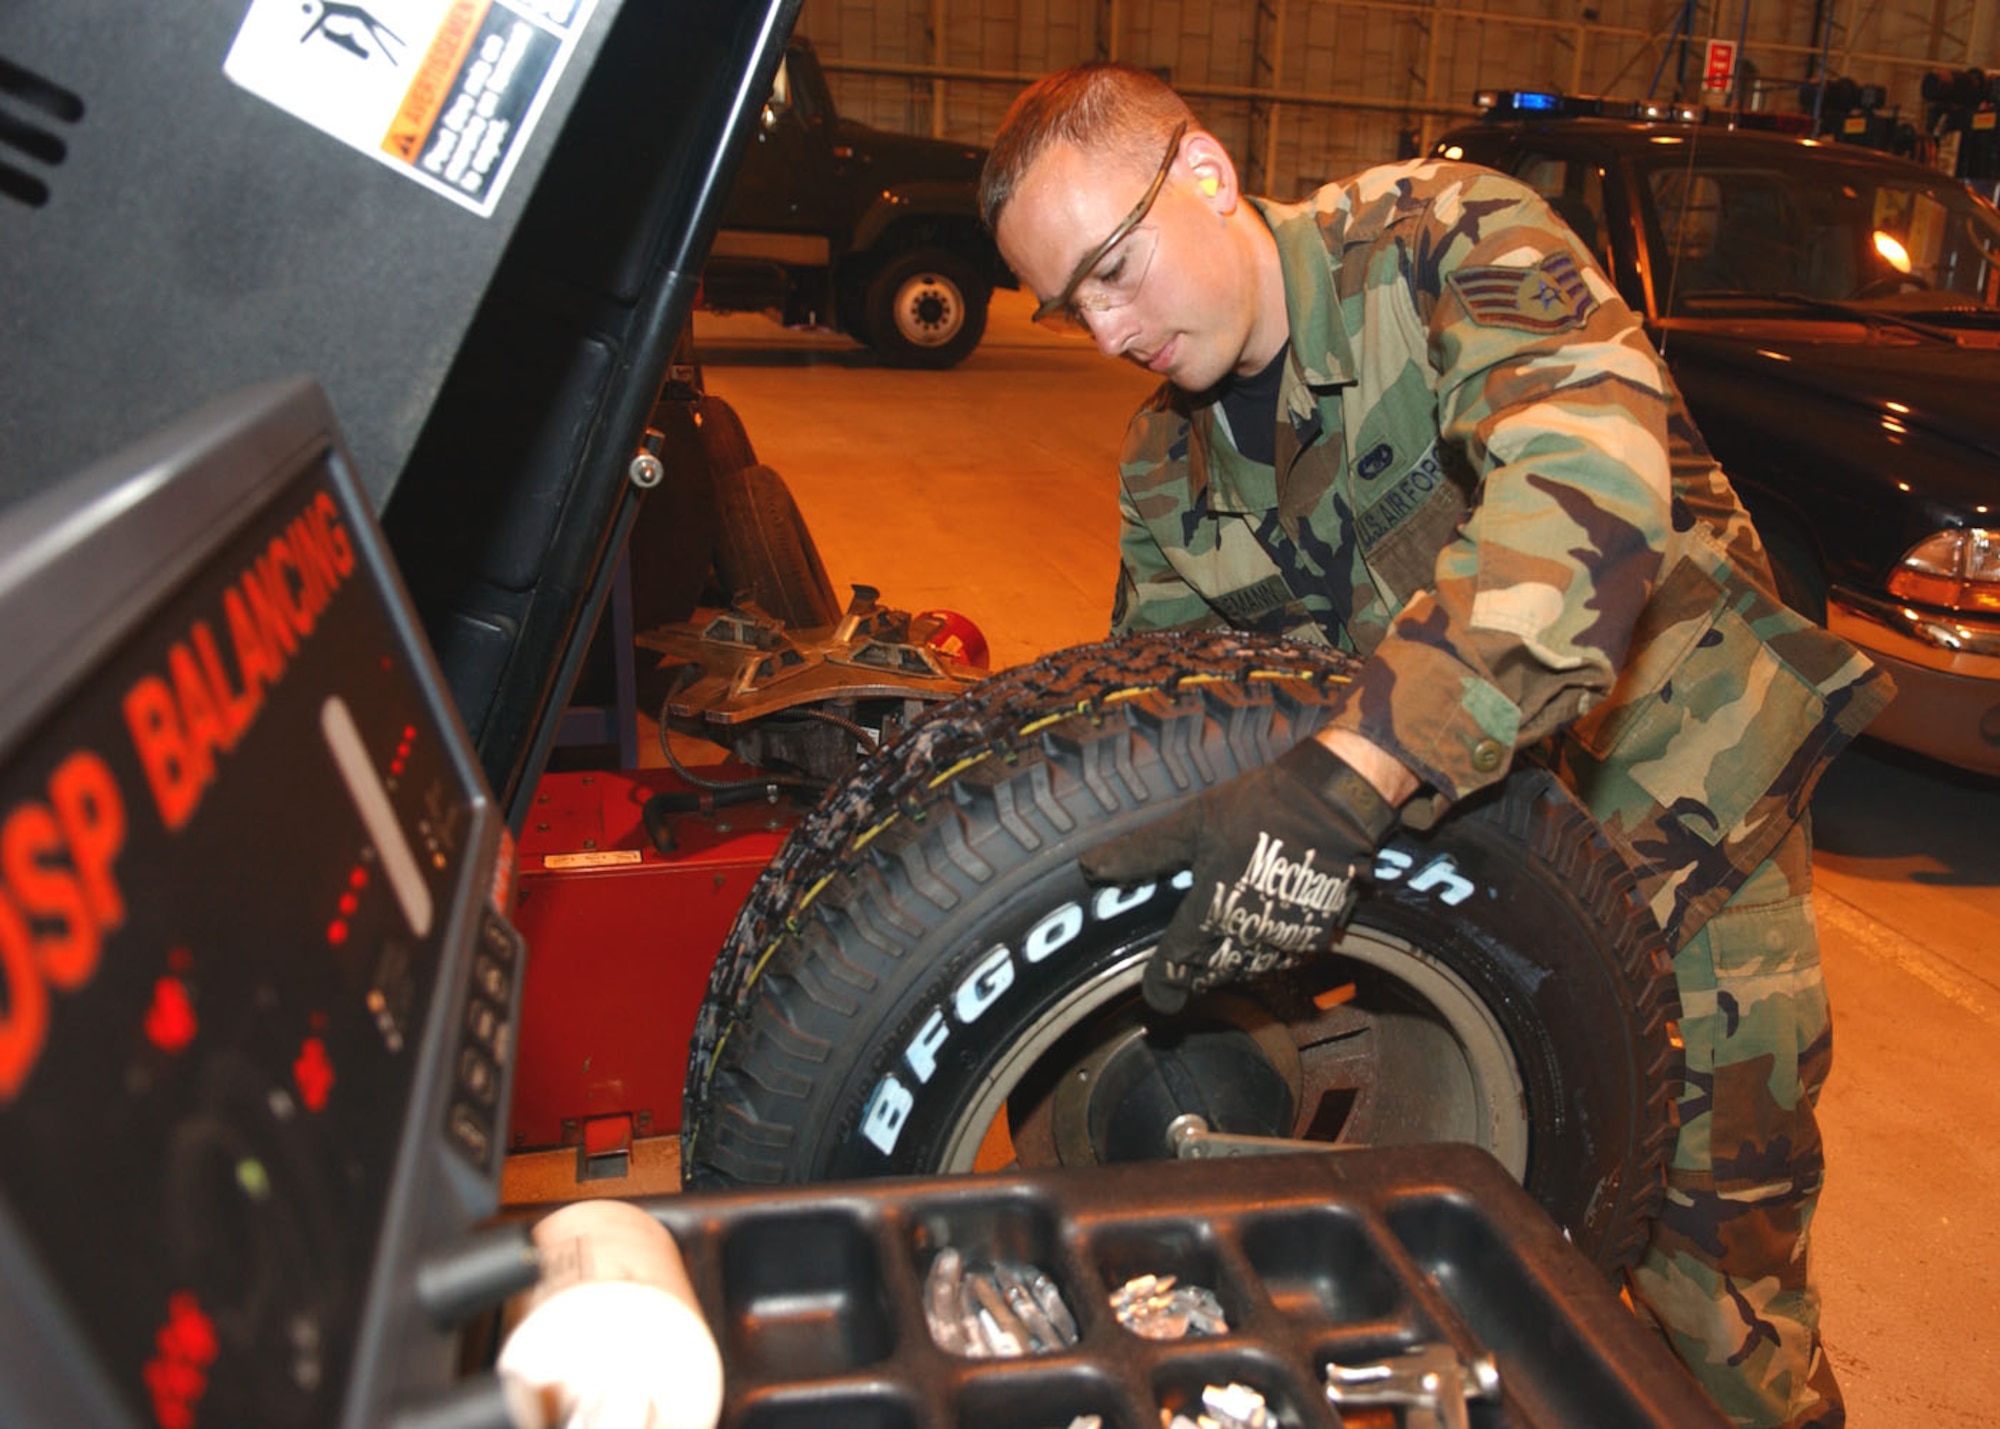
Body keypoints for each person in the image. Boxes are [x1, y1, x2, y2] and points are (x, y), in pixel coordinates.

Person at [979, 64, 1893, 1429]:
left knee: (1716, 1281)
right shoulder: (1167, 470)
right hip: (1463, 868)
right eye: (1071, 303)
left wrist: (1350, 772)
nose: (1107, 326)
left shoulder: (1446, 240)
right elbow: (1172, 718)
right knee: (1505, 1267)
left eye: (1115, 266)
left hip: (1679, 822)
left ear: (1212, 173)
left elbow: (1590, 489)